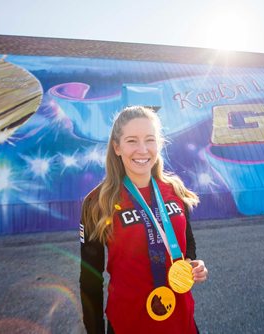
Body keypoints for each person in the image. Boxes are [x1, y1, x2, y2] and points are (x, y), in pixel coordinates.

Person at [79, 106, 208, 334]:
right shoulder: (97, 203)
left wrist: (193, 264)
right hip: (128, 324)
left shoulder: (175, 190)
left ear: (158, 144)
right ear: (117, 147)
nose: (142, 149)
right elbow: (90, 280)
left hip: (181, 321)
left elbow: (188, 243)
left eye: (150, 140)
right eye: (131, 141)